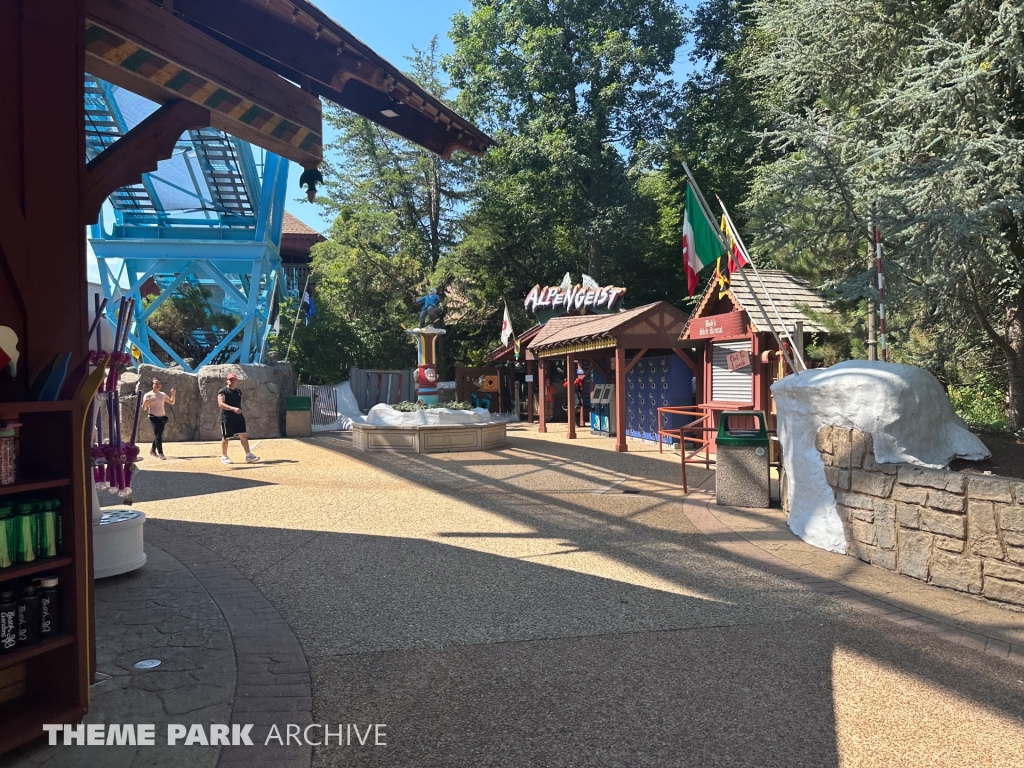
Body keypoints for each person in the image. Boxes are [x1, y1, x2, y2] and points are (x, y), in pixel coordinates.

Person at [218, 373, 259, 464]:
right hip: (227, 418)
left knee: (243, 435)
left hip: (238, 417)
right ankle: (224, 457)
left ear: (236, 381)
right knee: (226, 437)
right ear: (227, 380)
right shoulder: (223, 391)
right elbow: (220, 404)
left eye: (234, 379)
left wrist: (238, 410)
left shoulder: (238, 391)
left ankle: (248, 455)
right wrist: (233, 408)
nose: (232, 381)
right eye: (230, 379)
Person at [141, 378, 175, 460]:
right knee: (158, 434)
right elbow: (144, 408)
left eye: (159, 383)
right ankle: (161, 453)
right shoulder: (147, 395)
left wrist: (173, 394)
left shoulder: (162, 394)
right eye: (156, 383)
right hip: (153, 417)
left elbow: (171, 402)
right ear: (152, 385)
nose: (158, 385)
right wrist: (145, 402)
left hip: (162, 418)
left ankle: (152, 450)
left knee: (158, 435)